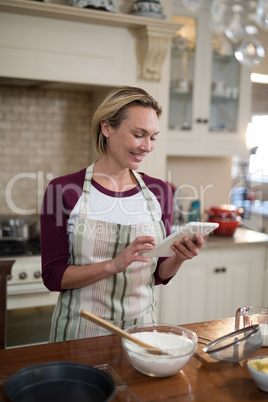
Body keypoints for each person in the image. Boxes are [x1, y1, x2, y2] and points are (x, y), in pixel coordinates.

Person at [40, 86, 204, 342]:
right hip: (81, 331)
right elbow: (52, 277)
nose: (147, 146)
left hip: (142, 332)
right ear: (107, 128)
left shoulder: (159, 191)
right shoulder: (63, 191)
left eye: (152, 137)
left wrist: (180, 257)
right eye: (139, 135)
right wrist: (114, 265)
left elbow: (159, 274)